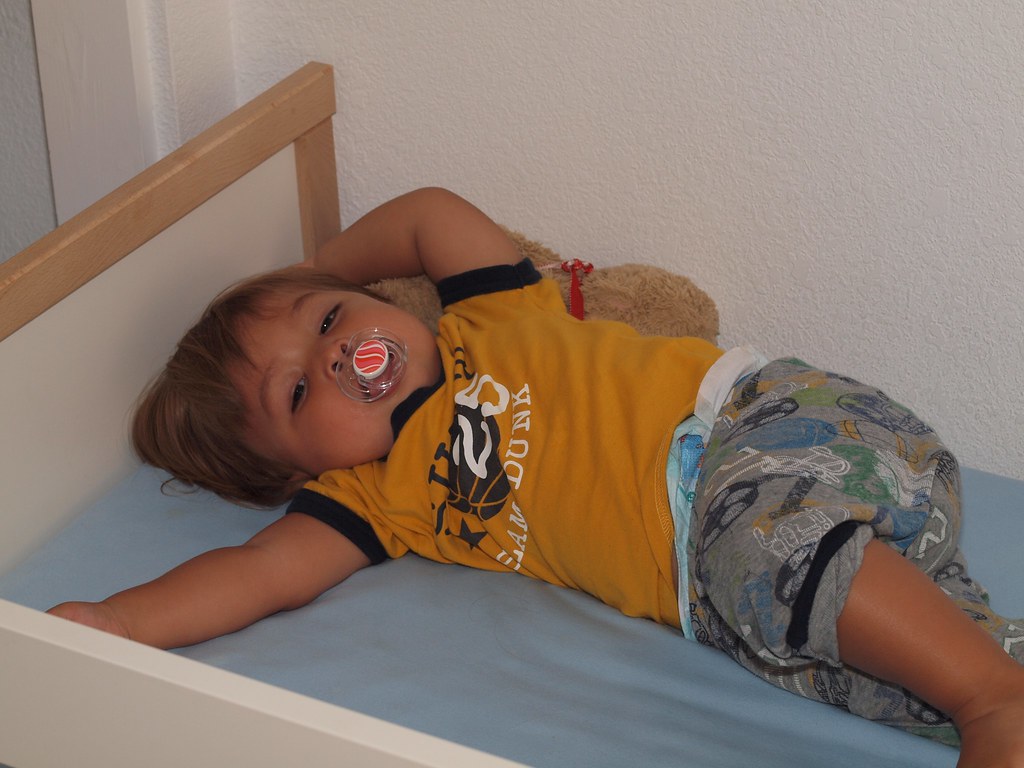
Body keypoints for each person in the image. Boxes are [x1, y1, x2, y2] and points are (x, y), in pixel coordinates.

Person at [48, 187, 1023, 766]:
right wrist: (119, 625)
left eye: (331, 318)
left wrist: (312, 260)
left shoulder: (494, 319)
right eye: (299, 393)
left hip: (767, 432)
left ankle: (988, 697)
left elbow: (431, 214)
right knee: (827, 666)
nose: (341, 356)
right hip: (740, 575)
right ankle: (992, 681)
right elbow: (256, 575)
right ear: (298, 470)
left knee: (758, 552)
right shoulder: (374, 503)